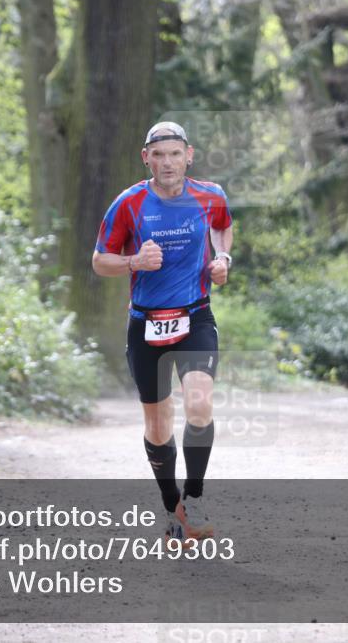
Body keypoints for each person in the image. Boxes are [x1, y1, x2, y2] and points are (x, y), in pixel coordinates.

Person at [91, 121, 233, 545]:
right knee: (158, 425)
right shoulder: (129, 204)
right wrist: (134, 262)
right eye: (159, 155)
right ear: (146, 158)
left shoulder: (211, 195)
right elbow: (100, 261)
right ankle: (172, 509)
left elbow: (223, 226)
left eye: (175, 154)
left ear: (189, 155)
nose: (168, 162)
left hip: (195, 316)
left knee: (200, 404)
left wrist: (222, 257)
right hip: (146, 323)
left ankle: (195, 500)